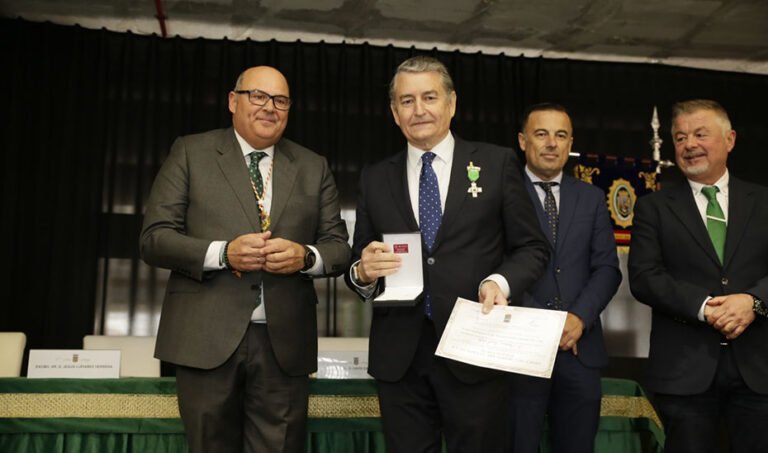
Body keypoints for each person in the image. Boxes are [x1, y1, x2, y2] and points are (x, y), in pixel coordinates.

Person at [140, 66, 351, 453]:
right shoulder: (191, 151)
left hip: (283, 344)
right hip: (204, 339)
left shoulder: (312, 165)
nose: (270, 107)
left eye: (281, 100)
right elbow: (154, 239)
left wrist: (305, 257)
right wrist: (222, 253)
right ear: (233, 101)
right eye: (259, 96)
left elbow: (338, 246)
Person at [345, 55, 549, 452]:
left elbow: (532, 247)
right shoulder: (375, 177)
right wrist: (364, 273)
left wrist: (499, 281)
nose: (418, 109)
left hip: (476, 347)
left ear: (451, 104)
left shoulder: (495, 162)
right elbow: (359, 263)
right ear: (394, 112)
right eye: (407, 101)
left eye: (429, 97)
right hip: (400, 356)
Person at [629, 99, 768, 453]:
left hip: (758, 371)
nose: (689, 144)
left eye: (700, 134)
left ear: (730, 139)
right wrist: (705, 307)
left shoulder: (763, 202)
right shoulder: (653, 208)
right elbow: (644, 276)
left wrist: (754, 302)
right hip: (684, 373)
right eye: (680, 137)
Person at [509, 103, 622, 453]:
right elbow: (493, 265)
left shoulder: (590, 197)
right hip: (519, 350)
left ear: (570, 142)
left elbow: (607, 269)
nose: (551, 144)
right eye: (541, 134)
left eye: (561, 135)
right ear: (523, 141)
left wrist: (578, 318)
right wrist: (543, 324)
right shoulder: (504, 195)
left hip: (580, 349)